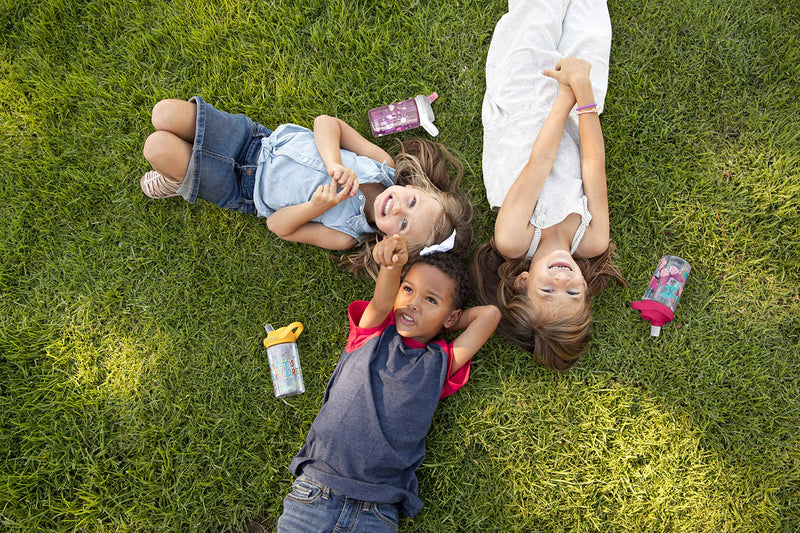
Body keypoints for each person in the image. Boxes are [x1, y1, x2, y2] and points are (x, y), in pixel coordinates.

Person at [276, 235, 501, 532]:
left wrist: (448, 320)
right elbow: (382, 303)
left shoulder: (440, 364)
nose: (413, 304)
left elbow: (490, 314)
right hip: (316, 490)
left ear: (452, 316)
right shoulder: (371, 333)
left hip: (377, 511)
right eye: (408, 290)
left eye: (430, 300)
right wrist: (393, 267)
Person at [141, 97, 473, 278]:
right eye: (412, 203)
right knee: (163, 114)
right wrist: (335, 164)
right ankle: (184, 173)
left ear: (390, 240)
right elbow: (325, 124)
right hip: (256, 140)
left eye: (403, 224)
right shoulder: (382, 165)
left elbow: (277, 226)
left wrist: (317, 206)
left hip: (242, 188)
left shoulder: (345, 235)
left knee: (156, 148)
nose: (398, 208)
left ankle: (177, 181)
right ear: (416, 186)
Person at [472, 0, 625, 371]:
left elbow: (539, 163)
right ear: (586, 289)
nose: (562, 279)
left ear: (522, 281)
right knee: (591, 27)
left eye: (547, 289)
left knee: (537, 15)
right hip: (576, 116)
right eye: (572, 292)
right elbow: (593, 165)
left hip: (521, 102)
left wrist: (565, 94)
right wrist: (583, 94)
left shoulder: (514, 240)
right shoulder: (590, 241)